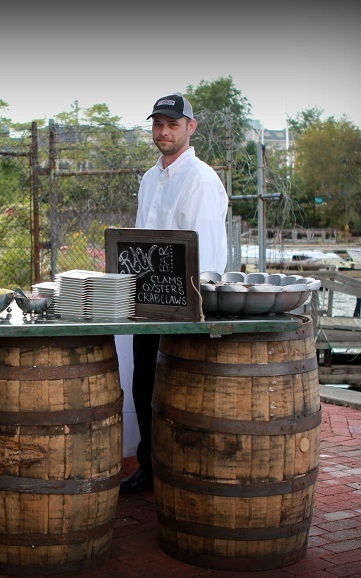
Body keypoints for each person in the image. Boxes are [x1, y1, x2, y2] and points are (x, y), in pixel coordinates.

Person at [120, 94, 229, 494]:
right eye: (157, 124)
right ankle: (149, 466)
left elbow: (209, 254)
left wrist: (195, 307)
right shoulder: (150, 179)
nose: (163, 132)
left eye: (172, 124)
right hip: (146, 300)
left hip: (183, 304)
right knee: (143, 384)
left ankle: (177, 471)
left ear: (190, 127)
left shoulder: (200, 179)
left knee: (177, 391)